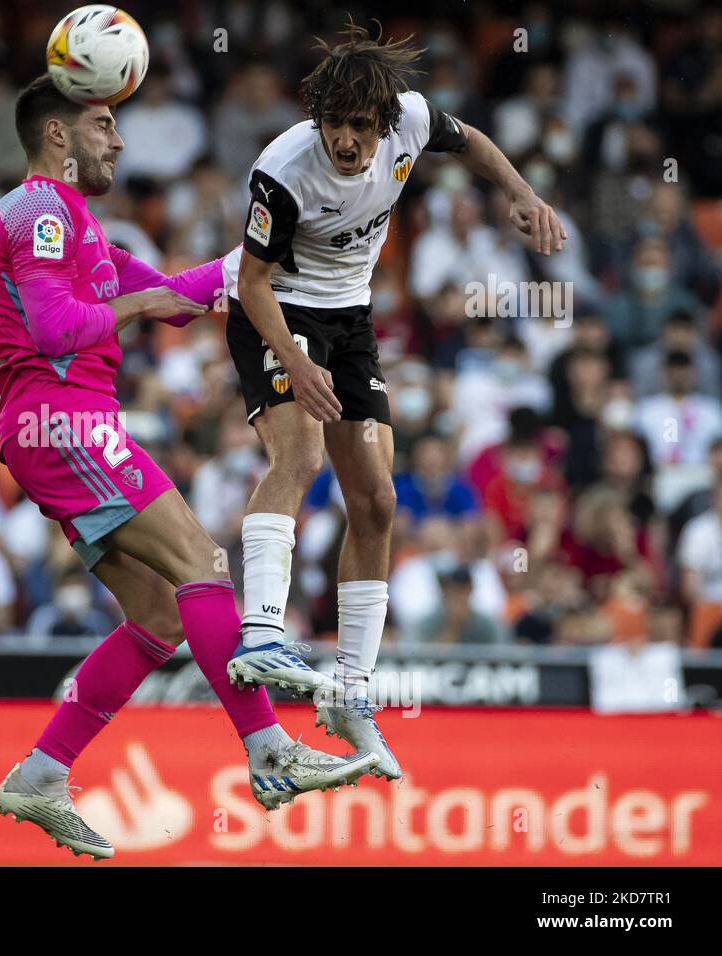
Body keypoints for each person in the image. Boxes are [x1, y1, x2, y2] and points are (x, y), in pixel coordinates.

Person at [0, 75, 377, 860]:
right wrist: (135, 307)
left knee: (162, 616)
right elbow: (58, 329)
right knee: (203, 561)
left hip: (63, 431)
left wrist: (271, 250)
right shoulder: (35, 211)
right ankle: (268, 747)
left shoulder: (80, 226)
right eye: (102, 124)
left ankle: (40, 772)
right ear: (57, 135)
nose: (119, 139)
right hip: (62, 423)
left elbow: (176, 294)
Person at [221, 20, 566, 783]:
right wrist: (292, 363)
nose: (348, 142)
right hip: (276, 313)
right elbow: (248, 284)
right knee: (302, 453)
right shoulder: (283, 170)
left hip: (349, 320)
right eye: (336, 126)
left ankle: (350, 692)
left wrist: (519, 192)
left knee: (376, 500)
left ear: (385, 123)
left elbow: (469, 138)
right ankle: (261, 633)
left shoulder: (411, 116)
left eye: (361, 128)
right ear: (320, 122)